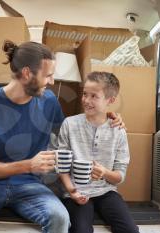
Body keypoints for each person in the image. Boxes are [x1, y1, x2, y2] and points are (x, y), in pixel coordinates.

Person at [0, 40, 123, 233]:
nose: (52, 82)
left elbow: (73, 132)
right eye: (48, 76)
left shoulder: (49, 101)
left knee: (60, 219)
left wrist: (106, 117)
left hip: (30, 185)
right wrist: (29, 165)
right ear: (27, 73)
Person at [58, 71, 139, 233]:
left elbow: (119, 176)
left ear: (110, 100)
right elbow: (61, 166)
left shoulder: (118, 131)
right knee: (81, 230)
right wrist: (72, 191)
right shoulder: (70, 124)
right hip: (76, 192)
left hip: (106, 191)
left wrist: (104, 173)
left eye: (94, 96)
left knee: (130, 230)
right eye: (84, 94)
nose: (86, 100)